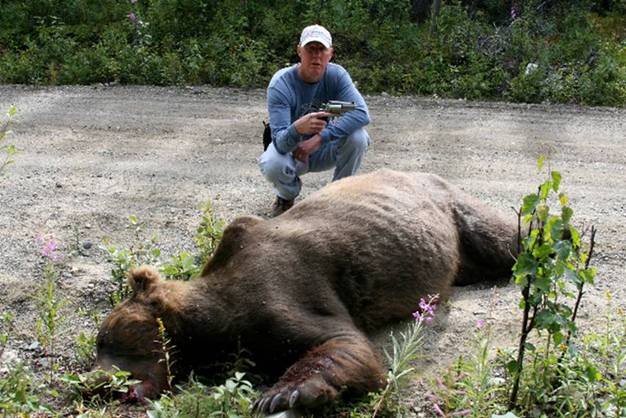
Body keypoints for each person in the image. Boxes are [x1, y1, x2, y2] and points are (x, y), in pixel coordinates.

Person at [258, 24, 370, 217]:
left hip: (323, 148)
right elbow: (279, 142)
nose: (316, 55)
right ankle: (286, 196)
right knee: (270, 162)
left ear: (330, 54)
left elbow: (362, 113)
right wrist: (296, 129)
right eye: (311, 49)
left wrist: (320, 138)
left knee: (358, 137)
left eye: (321, 49)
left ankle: (339, 199)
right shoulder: (281, 84)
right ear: (299, 51)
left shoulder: (337, 76)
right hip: (294, 153)